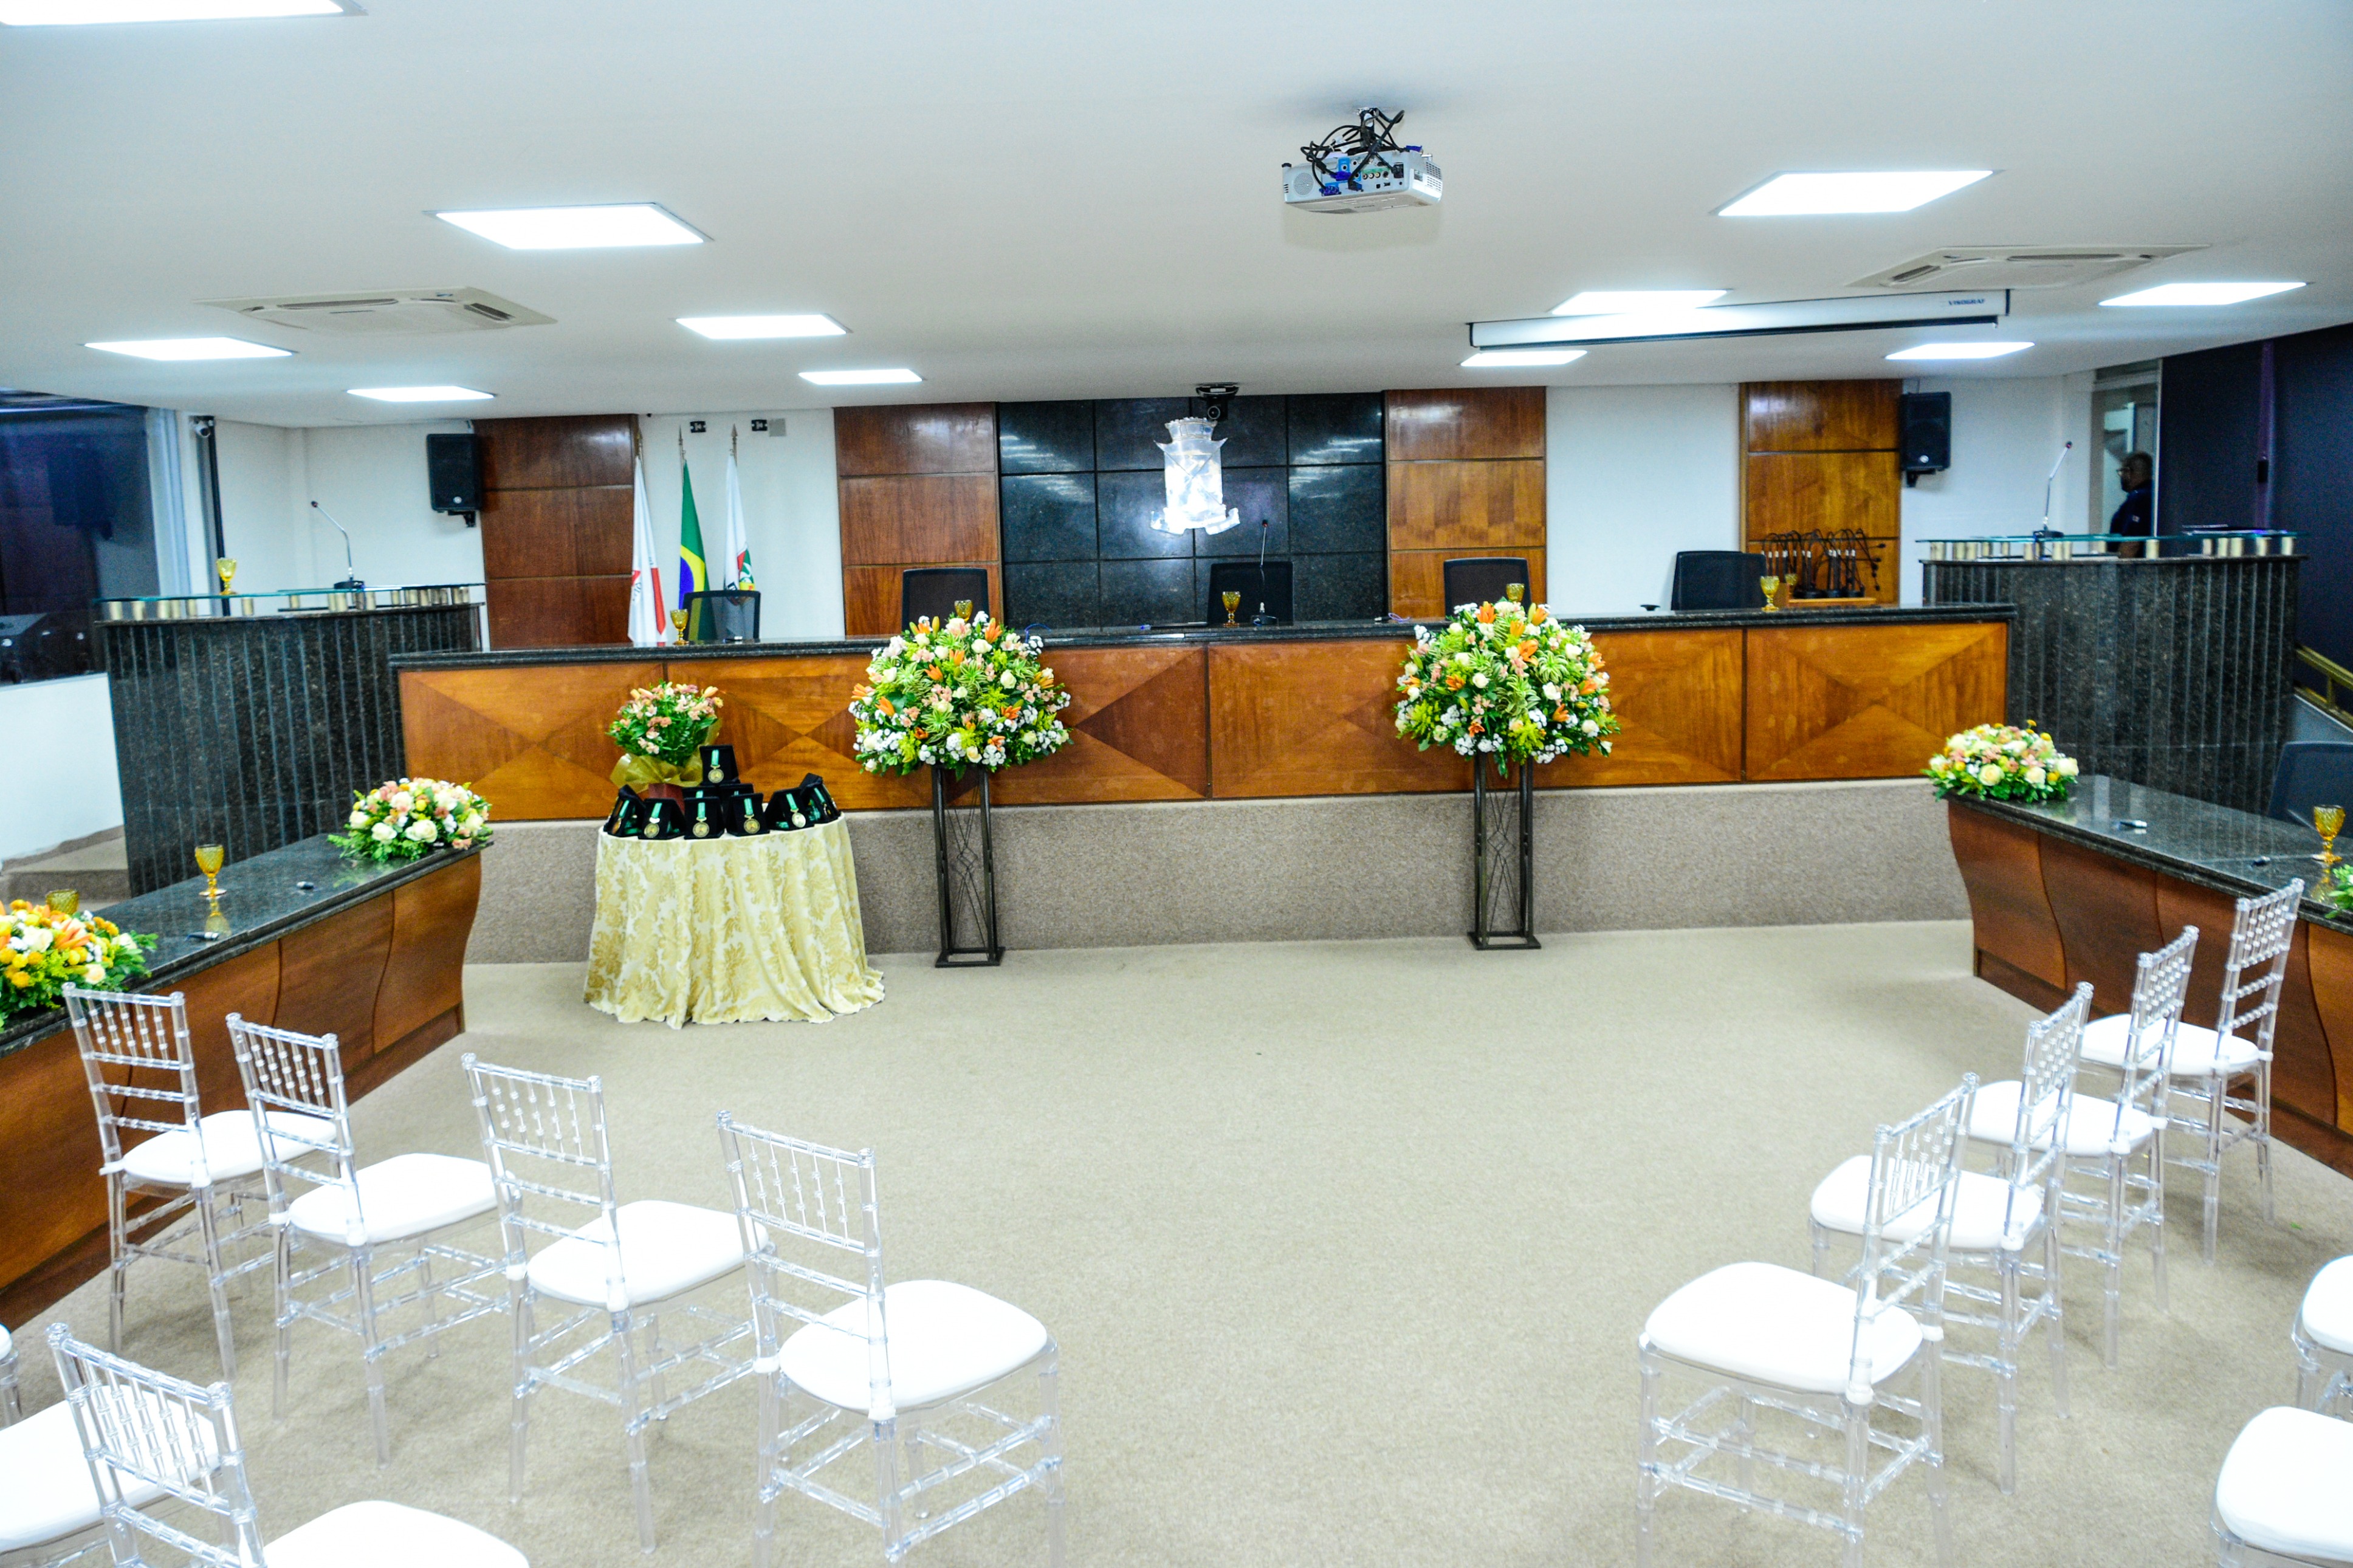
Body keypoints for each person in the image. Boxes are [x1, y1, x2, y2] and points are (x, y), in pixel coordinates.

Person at [2109, 451, 2155, 536]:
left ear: (2128, 472)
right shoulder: (2155, 494)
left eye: (2122, 472)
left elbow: (2131, 539)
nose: (2121, 476)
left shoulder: (2139, 498)